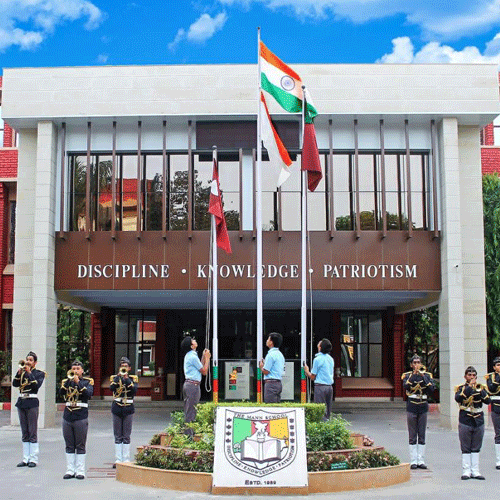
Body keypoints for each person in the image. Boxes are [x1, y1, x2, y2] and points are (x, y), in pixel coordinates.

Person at [59, 361, 94, 480]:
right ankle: (70, 470)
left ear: (82, 371)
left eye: (78, 368)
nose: (75, 371)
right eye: (73, 368)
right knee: (69, 444)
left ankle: (80, 470)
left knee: (80, 444)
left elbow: (88, 394)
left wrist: (78, 382)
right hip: (68, 414)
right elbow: (61, 393)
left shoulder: (87, 382)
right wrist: (69, 382)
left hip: (81, 415)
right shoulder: (66, 382)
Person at [455, 365, 490, 480]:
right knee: (466, 446)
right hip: (465, 419)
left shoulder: (481, 388)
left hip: (478, 419)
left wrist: (480, 391)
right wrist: (469, 387)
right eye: (469, 375)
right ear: (465, 377)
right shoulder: (461, 388)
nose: (472, 377)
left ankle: (475, 471)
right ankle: (466, 471)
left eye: (474, 375)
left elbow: (487, 401)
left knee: (476, 446)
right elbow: (458, 398)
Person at [12, 351, 45, 468]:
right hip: (22, 402)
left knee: (32, 431)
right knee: (24, 431)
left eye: (30, 360)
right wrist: (18, 373)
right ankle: (25, 458)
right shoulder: (22, 372)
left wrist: (29, 373)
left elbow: (36, 386)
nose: (28, 362)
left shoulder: (39, 373)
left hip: (32, 402)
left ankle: (33, 459)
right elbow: (15, 384)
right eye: (27, 359)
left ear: (35, 362)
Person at [401, 354, 435, 469]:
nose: (417, 365)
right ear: (411, 365)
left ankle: (421, 460)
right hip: (412, 405)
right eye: (414, 363)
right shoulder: (407, 376)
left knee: (421, 433)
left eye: (418, 362)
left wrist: (422, 376)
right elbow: (406, 387)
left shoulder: (427, 375)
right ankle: (413, 460)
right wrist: (414, 375)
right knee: (412, 434)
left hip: (422, 405)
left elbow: (431, 389)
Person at [110, 356, 138, 468]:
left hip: (128, 407)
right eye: (122, 366)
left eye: (126, 366)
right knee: (118, 435)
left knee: (126, 435)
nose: (124, 368)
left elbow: (134, 390)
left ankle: (126, 459)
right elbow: (111, 388)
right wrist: (118, 378)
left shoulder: (133, 379)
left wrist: (126, 379)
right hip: (117, 406)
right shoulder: (115, 378)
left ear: (129, 368)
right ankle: (118, 459)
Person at [181, 337, 210, 435]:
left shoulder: (191, 355)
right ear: (191, 345)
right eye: (193, 340)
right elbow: (204, 371)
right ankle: (189, 435)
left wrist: (203, 357)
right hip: (193, 386)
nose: (195, 340)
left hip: (190, 384)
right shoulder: (192, 357)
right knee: (191, 411)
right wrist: (207, 358)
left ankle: (188, 433)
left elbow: (199, 367)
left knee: (189, 410)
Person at [304, 339, 334, 421]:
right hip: (329, 387)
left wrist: (307, 371)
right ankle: (327, 424)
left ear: (320, 347)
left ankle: (321, 425)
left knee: (319, 410)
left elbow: (313, 377)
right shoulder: (330, 359)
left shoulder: (317, 359)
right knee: (328, 410)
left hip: (320, 386)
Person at [259, 332, 285, 403]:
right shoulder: (280, 354)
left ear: (271, 342)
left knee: (270, 406)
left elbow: (266, 371)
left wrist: (261, 367)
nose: (266, 341)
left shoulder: (270, 355)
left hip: (271, 384)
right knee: (276, 405)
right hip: (278, 383)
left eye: (268, 339)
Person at [485, 356, 500, 470]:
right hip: (496, 406)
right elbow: (491, 389)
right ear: (494, 367)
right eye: (498, 365)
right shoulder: (490, 377)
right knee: (498, 434)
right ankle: (499, 460)